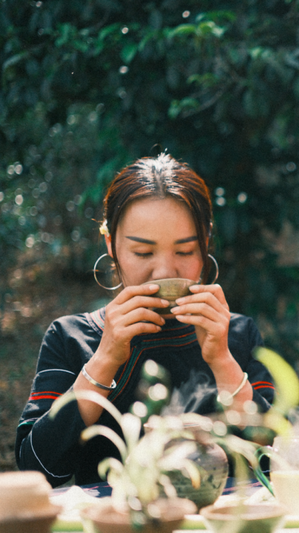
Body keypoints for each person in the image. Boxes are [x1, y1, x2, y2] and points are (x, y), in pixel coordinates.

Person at [16, 154, 275, 487]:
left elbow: (273, 460)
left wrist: (222, 360)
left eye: (184, 251)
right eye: (142, 253)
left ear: (205, 243)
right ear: (111, 245)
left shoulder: (236, 335)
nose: (165, 271)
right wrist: (106, 358)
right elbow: (38, 471)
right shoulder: (71, 338)